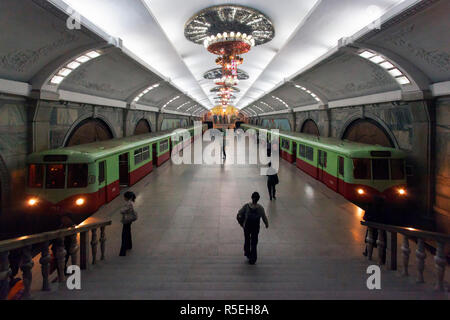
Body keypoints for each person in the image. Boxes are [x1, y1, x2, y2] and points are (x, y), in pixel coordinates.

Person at [237, 192, 269, 265]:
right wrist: (266, 224)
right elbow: (264, 217)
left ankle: (247, 253)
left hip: (247, 227)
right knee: (254, 242)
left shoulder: (246, 206)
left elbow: (239, 213)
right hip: (255, 227)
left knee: (247, 239)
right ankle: (253, 258)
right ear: (258, 199)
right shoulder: (260, 208)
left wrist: (241, 222)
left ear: (251, 197)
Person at [362, 195, 387, 260]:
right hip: (381, 227)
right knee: (382, 242)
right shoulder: (384, 208)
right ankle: (383, 258)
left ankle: (367, 253)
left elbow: (365, 217)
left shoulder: (370, 206)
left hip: (372, 226)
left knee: (370, 239)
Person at [119, 191, 138, 256]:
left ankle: (123, 251)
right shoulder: (132, 202)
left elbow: (123, 211)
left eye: (124, 196)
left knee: (124, 235)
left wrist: (121, 210)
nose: (124, 198)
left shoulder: (128, 203)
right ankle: (129, 246)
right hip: (129, 220)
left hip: (127, 220)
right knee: (128, 232)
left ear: (127, 197)